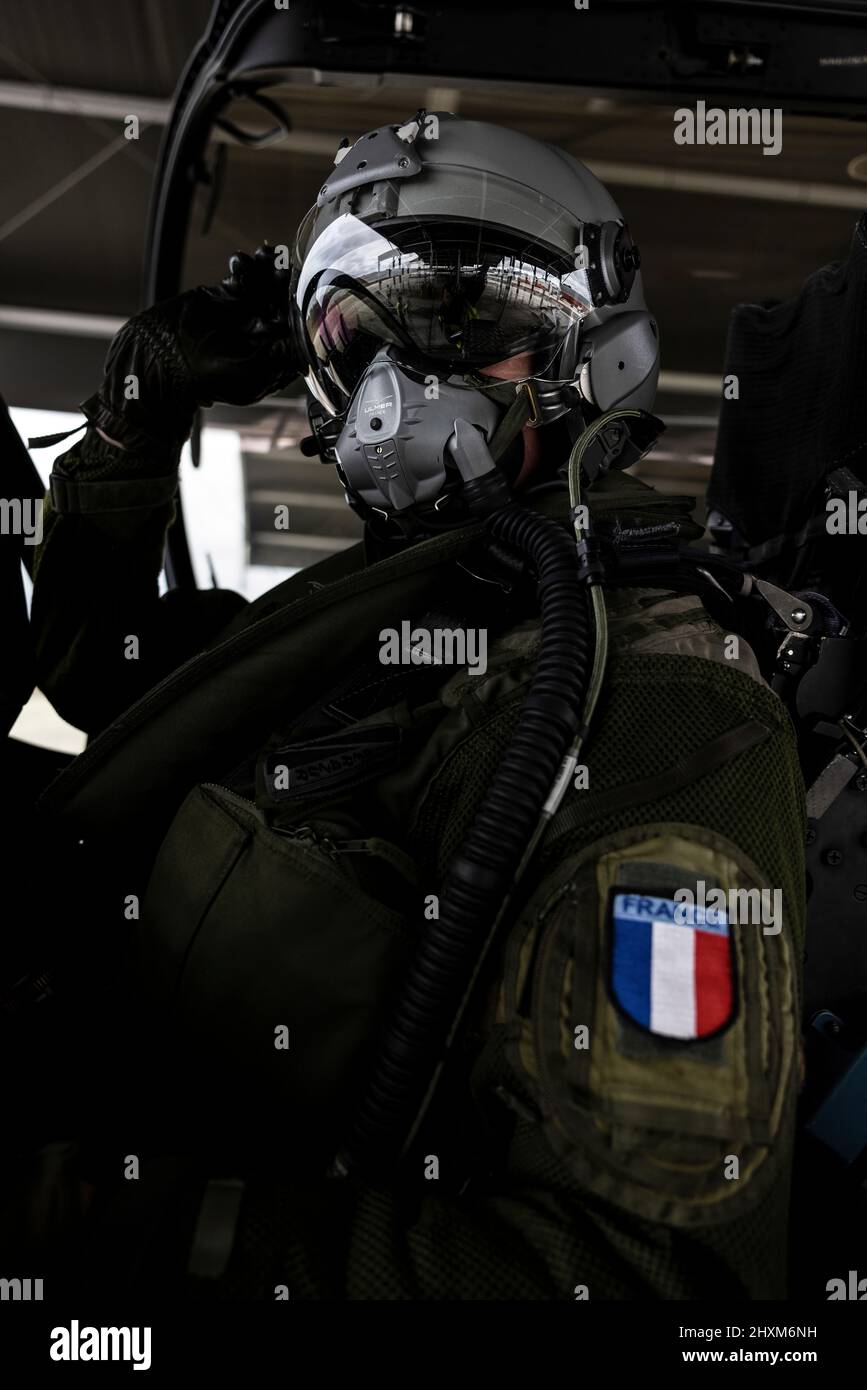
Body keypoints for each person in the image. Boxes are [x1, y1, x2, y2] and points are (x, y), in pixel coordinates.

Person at [28, 114, 805, 1300]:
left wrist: (117, 1230)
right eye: (356, 333)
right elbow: (108, 685)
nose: (398, 387)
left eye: (466, 324)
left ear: (592, 348)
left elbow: (646, 1279)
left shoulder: (657, 702)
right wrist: (137, 424)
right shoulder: (399, 600)